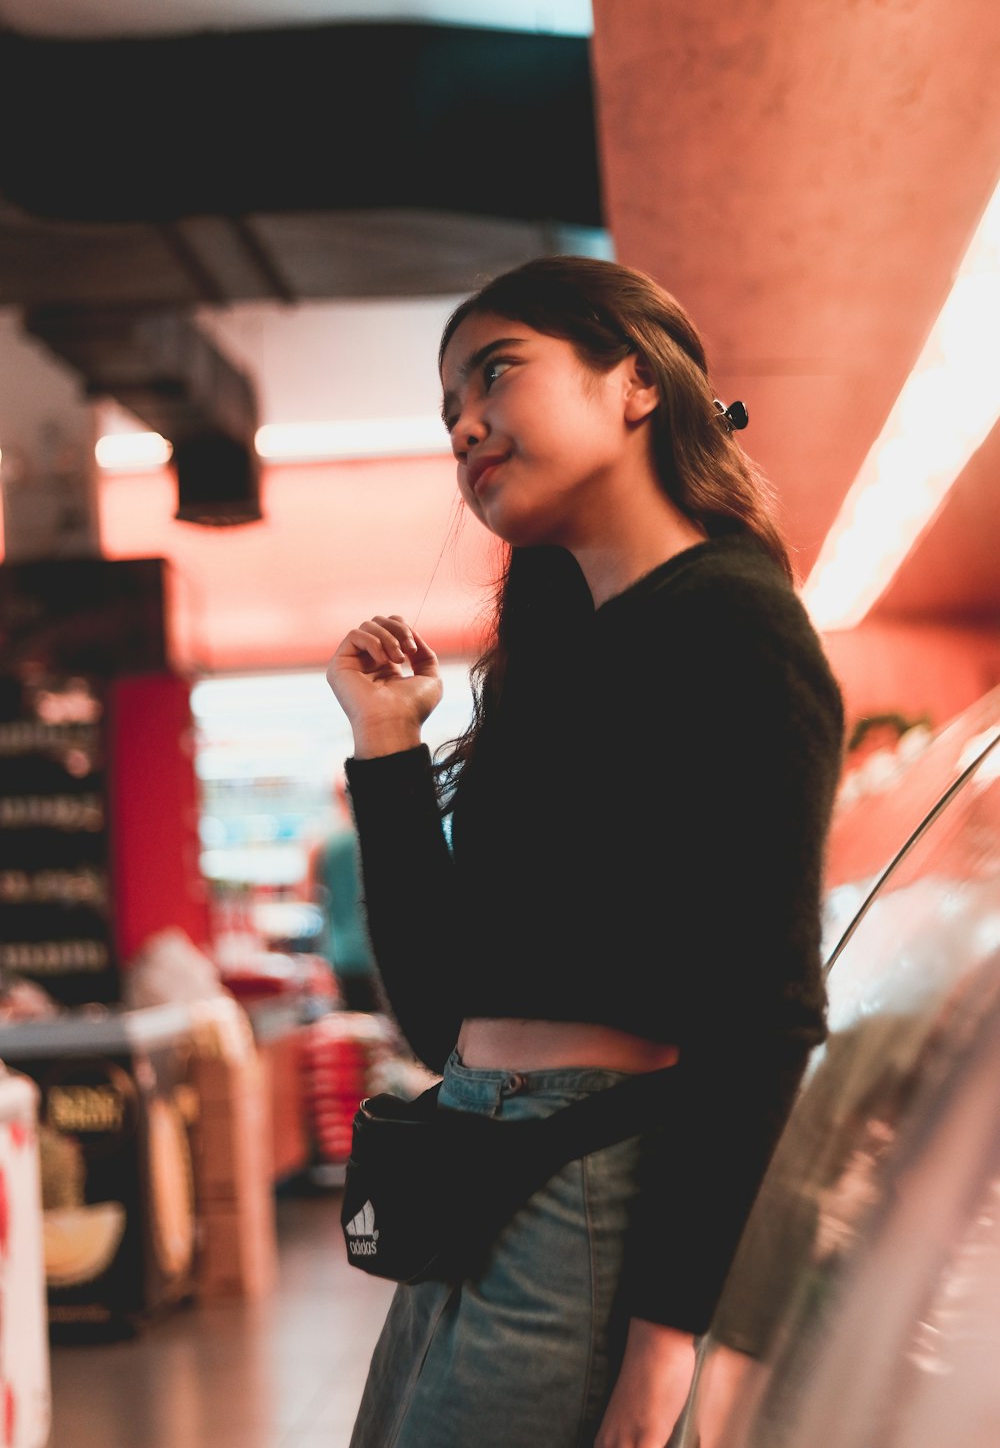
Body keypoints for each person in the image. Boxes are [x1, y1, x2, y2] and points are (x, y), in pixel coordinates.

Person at [325, 254, 845, 1448]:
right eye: (447, 409)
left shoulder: (733, 622)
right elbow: (443, 1008)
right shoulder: (546, 669)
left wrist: (667, 1350)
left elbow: (761, 1015)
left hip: (588, 1185)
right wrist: (389, 746)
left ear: (632, 383)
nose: (463, 425)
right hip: (467, 1158)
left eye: (494, 373)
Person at [304, 774, 382, 1013]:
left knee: (359, 1028)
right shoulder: (381, 836)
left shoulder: (321, 842)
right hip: (384, 949)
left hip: (344, 952)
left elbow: (308, 895)